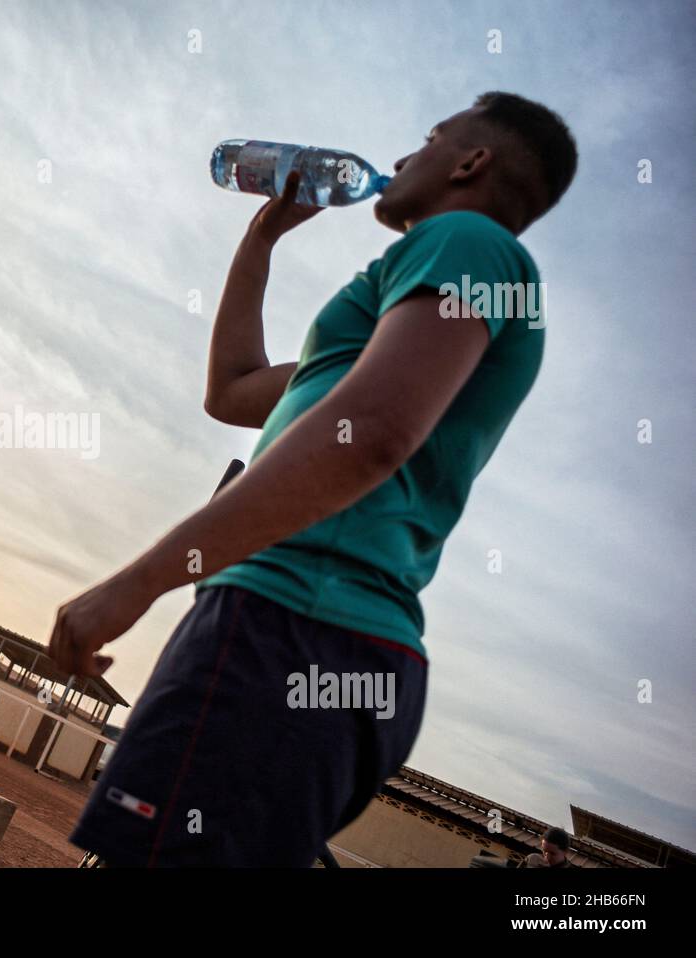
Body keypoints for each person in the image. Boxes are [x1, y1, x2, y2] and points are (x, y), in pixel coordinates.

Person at [50, 92, 577, 867]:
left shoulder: (470, 241)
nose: (399, 161)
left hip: (298, 628)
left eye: (429, 139)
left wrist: (137, 582)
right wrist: (261, 238)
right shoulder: (392, 332)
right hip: (303, 634)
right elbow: (232, 390)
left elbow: (368, 436)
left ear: (471, 163)